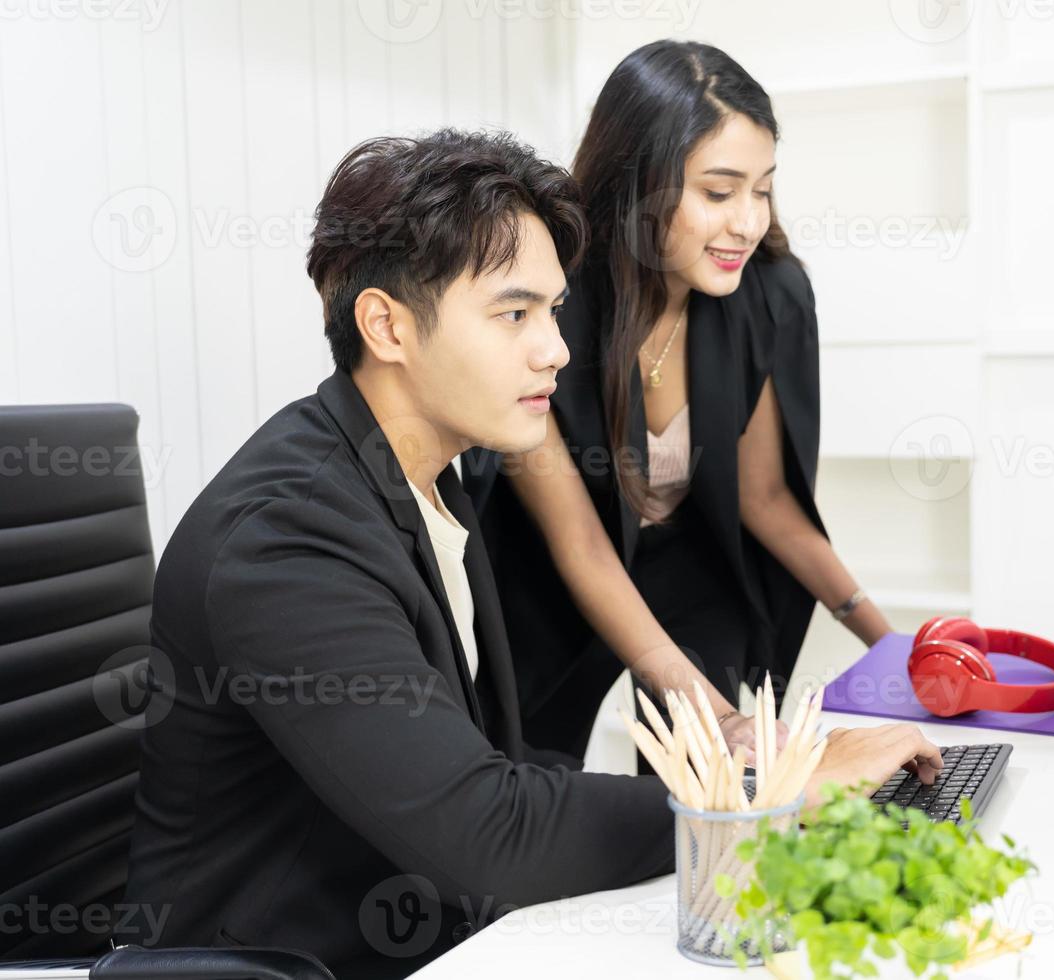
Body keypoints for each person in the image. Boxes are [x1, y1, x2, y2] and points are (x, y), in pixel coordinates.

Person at [123, 129, 942, 980]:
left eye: (552, 311)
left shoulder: (427, 482)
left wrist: (731, 754)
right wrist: (769, 798)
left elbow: (489, 775)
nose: (555, 348)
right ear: (386, 325)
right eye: (514, 313)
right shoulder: (285, 542)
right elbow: (486, 833)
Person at [463, 40, 893, 766]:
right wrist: (713, 713)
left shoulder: (768, 293)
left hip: (694, 560)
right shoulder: (546, 309)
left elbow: (764, 499)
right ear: (640, 185)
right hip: (553, 577)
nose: (749, 223)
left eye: (762, 190)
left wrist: (891, 642)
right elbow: (582, 545)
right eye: (719, 193)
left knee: (722, 777)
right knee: (528, 787)